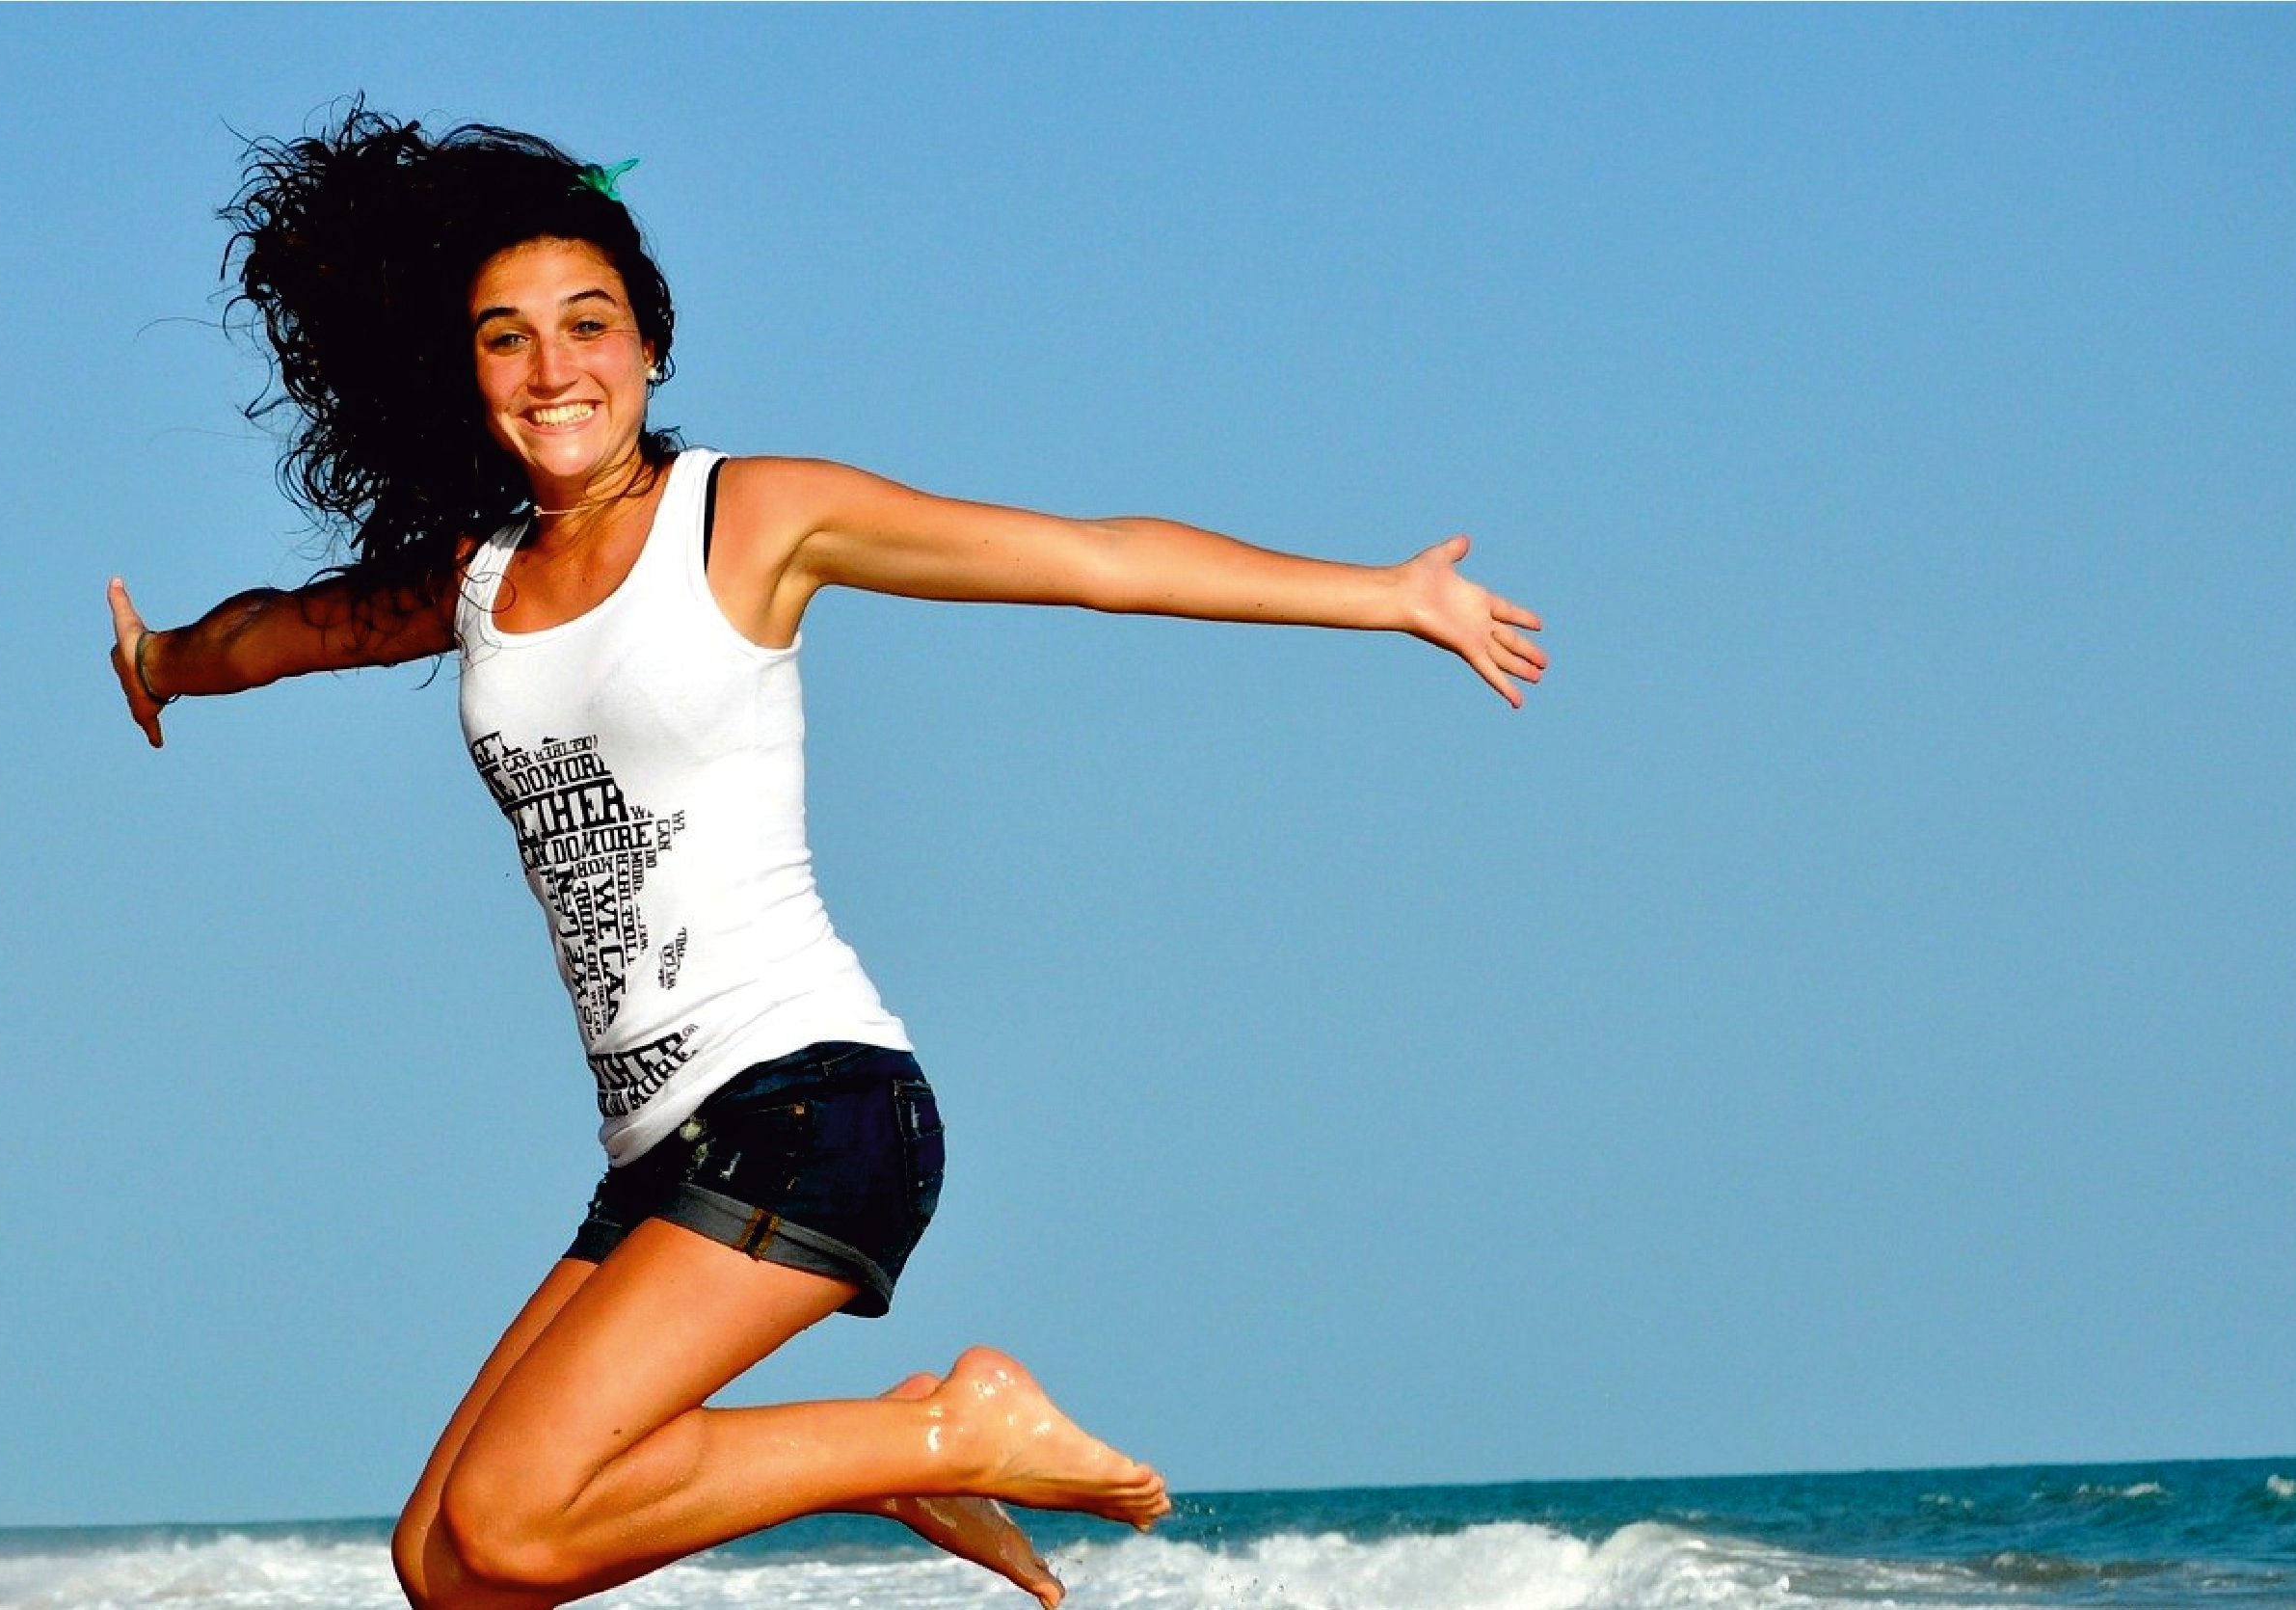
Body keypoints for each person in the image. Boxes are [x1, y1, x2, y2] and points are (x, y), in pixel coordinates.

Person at [103, 110, 1546, 1610]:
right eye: (506, 339)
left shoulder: (748, 518)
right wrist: (161, 661)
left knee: (520, 1517)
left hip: (812, 1103)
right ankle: (891, 1453)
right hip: (657, 1149)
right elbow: (277, 630)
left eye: (586, 326)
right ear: (465, 378)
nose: (553, 371)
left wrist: (1384, 596)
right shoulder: (480, 583)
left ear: (648, 344)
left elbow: (1090, 559)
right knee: (447, 1564)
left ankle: (935, 1426)